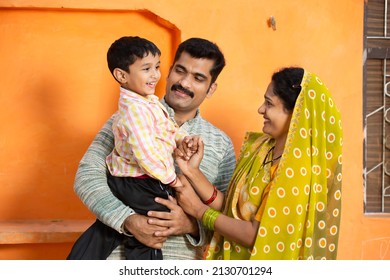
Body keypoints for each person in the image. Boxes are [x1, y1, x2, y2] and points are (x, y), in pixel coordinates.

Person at [70, 37, 237, 260]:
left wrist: (191, 225)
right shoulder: (126, 117)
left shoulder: (220, 143)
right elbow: (87, 176)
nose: (184, 83)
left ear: (211, 88)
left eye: (198, 78)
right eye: (180, 71)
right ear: (167, 72)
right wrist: (127, 220)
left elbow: (231, 217)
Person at [174, 67, 343, 260]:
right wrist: (192, 172)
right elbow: (233, 210)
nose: (261, 109)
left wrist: (199, 210)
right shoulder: (263, 149)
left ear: (296, 114)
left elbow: (254, 234)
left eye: (269, 104)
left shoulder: (296, 172)